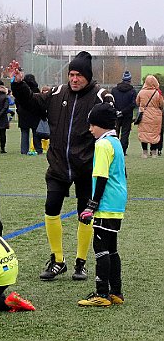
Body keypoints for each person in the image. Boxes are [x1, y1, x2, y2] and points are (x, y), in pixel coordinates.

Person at [11, 51, 114, 281]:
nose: (74, 79)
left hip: (86, 167)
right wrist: (18, 84)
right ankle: (58, 260)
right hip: (58, 164)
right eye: (71, 74)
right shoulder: (57, 93)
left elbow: (110, 118)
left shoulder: (100, 96)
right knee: (51, 207)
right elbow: (31, 102)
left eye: (79, 75)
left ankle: (81, 262)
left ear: (88, 76)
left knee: (85, 214)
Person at [77, 103, 127, 307]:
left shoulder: (102, 144)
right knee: (112, 248)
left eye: (92, 125)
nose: (90, 129)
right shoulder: (116, 142)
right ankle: (116, 292)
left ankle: (102, 294)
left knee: (100, 248)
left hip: (106, 202)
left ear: (102, 125)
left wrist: (91, 205)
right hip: (117, 201)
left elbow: (101, 176)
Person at [136, 75, 163, 158]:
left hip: (144, 115)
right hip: (155, 116)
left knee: (144, 133)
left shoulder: (141, 92)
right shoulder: (157, 93)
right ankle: (154, 152)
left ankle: (144, 152)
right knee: (154, 133)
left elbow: (137, 102)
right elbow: (161, 104)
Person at [111, 71, 137, 155]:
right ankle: (123, 150)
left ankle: (114, 149)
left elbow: (111, 102)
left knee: (115, 133)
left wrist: (117, 111)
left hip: (116, 115)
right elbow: (133, 104)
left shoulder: (114, 90)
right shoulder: (132, 91)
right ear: (130, 80)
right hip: (127, 115)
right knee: (125, 133)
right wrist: (123, 111)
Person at [15, 74, 40, 155]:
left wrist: (18, 110)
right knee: (36, 132)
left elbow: (17, 101)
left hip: (23, 113)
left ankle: (24, 150)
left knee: (24, 132)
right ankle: (38, 149)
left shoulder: (21, 89)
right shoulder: (36, 89)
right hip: (34, 113)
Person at [33, 85, 51, 155]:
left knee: (36, 135)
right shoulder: (52, 99)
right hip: (46, 120)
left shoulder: (38, 99)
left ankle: (39, 150)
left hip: (41, 120)